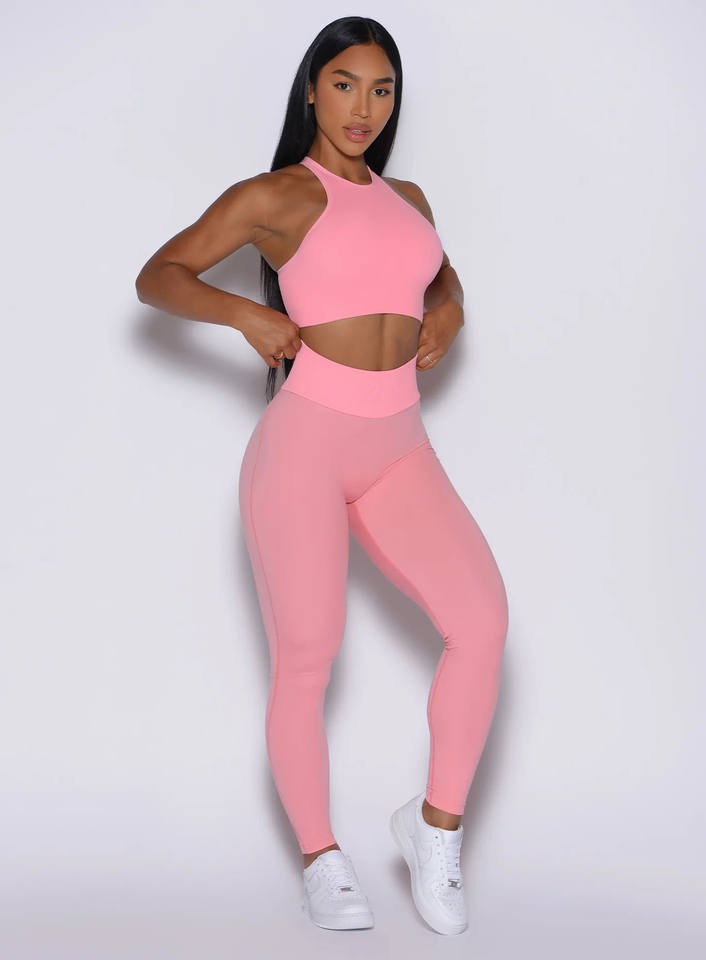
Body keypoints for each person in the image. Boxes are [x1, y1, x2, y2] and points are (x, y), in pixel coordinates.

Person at [135, 16, 508, 938]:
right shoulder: (276, 197)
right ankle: (319, 857)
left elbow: (441, 275)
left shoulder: (409, 198)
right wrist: (241, 315)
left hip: (399, 447)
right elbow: (158, 275)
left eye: (382, 89)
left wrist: (453, 308)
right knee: (308, 655)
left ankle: (435, 830)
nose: (362, 107)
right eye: (345, 84)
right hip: (302, 445)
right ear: (312, 89)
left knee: (482, 623)